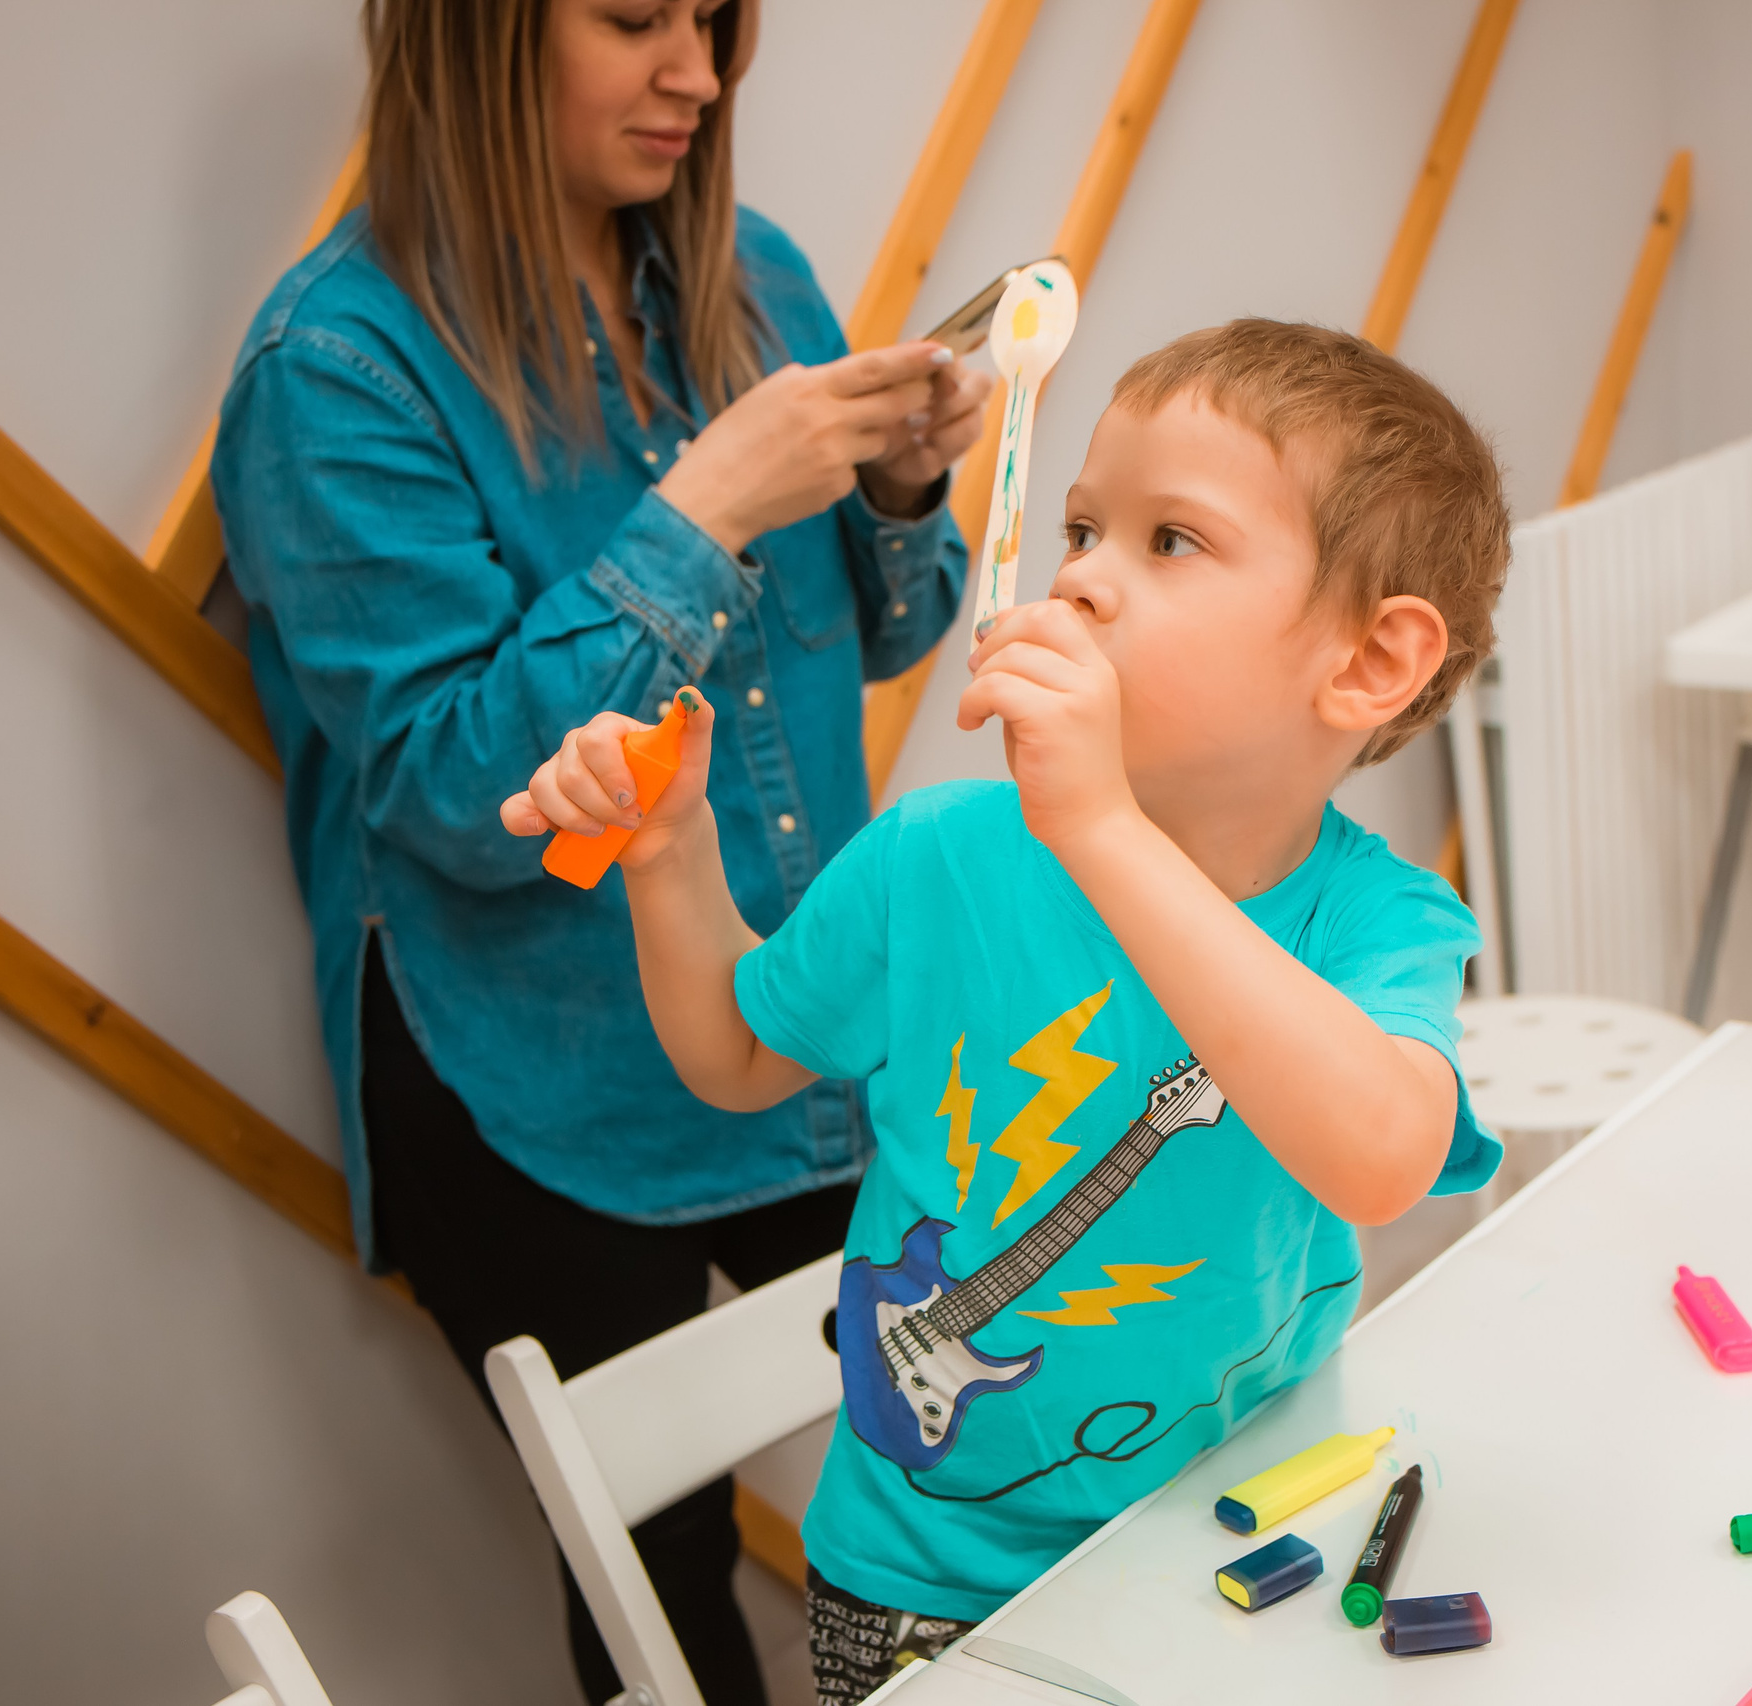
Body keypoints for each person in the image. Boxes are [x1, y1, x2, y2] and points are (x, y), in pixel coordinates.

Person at [504, 319, 1509, 1701]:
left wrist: (1102, 828)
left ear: (1367, 664)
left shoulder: (1378, 921)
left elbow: (1383, 1159)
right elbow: (735, 1055)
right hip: (925, 1588)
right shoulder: (937, 855)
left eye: (1170, 540)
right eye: (1083, 527)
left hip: (1236, 1534)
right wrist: (669, 852)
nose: (1079, 574)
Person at [209, 1, 992, 1698]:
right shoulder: (331, 374)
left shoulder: (755, 280)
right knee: (657, 1584)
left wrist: (905, 494)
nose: (697, 74)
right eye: (638, 17)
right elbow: (461, 790)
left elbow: (877, 636)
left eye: (713, 21)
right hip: (534, 1085)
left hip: (808, 1023)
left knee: (978, 1484)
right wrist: (705, 506)